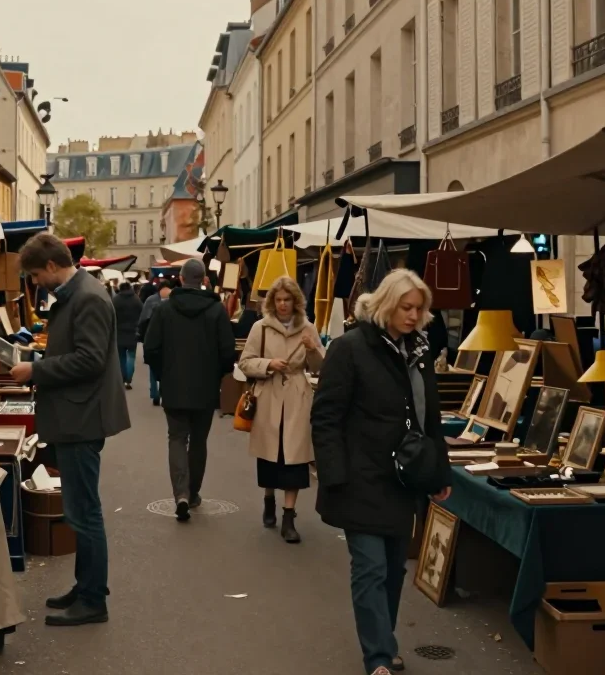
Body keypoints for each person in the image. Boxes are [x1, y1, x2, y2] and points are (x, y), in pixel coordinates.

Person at [310, 269, 452, 675]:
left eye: (419, 309)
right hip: (359, 477)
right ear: (387, 304)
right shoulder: (350, 347)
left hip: (402, 479)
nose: (413, 315)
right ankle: (377, 658)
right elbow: (326, 416)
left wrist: (438, 472)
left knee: (392, 570)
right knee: (370, 567)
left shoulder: (419, 350)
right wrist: (334, 474)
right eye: (406, 307)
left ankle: (384, 644)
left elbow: (431, 418)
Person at [8, 233, 129, 627]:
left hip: (82, 418)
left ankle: (94, 599)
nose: (36, 283)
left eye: (36, 275)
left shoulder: (88, 298)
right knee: (81, 510)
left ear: (52, 266)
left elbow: (90, 360)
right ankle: (86, 586)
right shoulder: (80, 293)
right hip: (77, 415)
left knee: (84, 512)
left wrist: (36, 369)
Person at [144, 259, 236, 521]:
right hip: (205, 388)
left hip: (174, 386)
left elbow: (150, 349)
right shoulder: (216, 310)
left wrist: (164, 373)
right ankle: (193, 492)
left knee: (176, 438)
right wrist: (216, 374)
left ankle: (180, 494)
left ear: (181, 279)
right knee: (198, 441)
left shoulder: (165, 310)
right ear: (203, 279)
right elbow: (227, 350)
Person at [238, 276, 325, 543]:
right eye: (279, 300)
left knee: (295, 460)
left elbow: (320, 367)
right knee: (270, 457)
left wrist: (312, 350)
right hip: (268, 398)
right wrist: (268, 364)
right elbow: (245, 363)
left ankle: (289, 517)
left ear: (296, 301)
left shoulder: (308, 327)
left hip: (297, 398)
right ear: (272, 302)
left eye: (288, 300)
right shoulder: (260, 328)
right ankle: (268, 500)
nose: (283, 304)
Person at [137, 279, 173, 406]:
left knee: (153, 366)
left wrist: (142, 336)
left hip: (153, 339)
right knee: (168, 367)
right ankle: (166, 392)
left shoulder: (151, 300)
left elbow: (142, 320)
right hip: (170, 341)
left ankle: (155, 394)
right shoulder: (176, 301)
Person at [112, 282, 143, 389]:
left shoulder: (115, 300)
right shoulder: (136, 299)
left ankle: (123, 378)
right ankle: (128, 380)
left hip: (119, 332)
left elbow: (111, 315)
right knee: (131, 356)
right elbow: (142, 313)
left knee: (121, 357)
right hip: (133, 332)